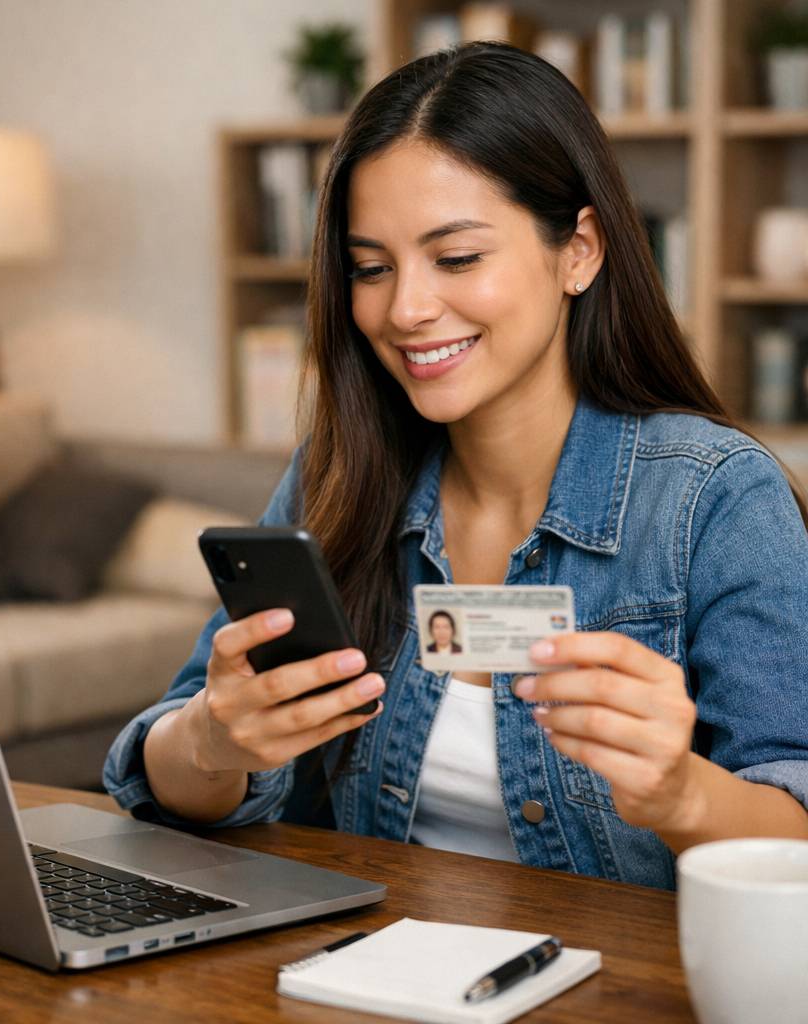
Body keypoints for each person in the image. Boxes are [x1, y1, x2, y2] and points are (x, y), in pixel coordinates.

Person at [105, 43, 808, 888]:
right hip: (373, 955)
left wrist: (682, 793)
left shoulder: (714, 498)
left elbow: (796, 829)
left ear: (579, 251)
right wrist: (211, 742)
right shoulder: (338, 474)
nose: (405, 309)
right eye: (371, 268)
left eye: (458, 258)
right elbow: (165, 771)